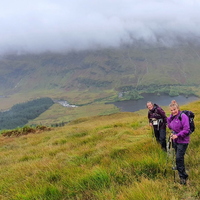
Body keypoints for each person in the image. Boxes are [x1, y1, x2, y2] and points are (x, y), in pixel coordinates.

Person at [167, 100, 190, 185]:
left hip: (183, 141)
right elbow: (169, 123)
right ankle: (179, 167)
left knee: (179, 158)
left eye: (174, 109)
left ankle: (183, 177)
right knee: (178, 156)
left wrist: (177, 135)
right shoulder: (173, 116)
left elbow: (186, 130)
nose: (173, 111)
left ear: (178, 108)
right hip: (175, 140)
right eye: (171, 110)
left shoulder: (183, 116)